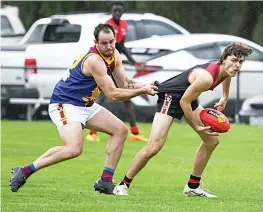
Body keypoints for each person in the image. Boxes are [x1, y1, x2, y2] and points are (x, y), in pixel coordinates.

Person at [10, 23, 158, 194]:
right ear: (96, 43)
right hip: (65, 104)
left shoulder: (115, 54)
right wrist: (142, 91)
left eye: (112, 41)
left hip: (85, 105)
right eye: (104, 43)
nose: (109, 46)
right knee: (73, 148)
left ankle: (105, 181)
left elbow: (125, 83)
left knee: (120, 130)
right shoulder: (94, 60)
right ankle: (25, 170)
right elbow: (113, 95)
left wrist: (147, 85)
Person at [113, 42, 253, 197]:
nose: (237, 65)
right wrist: (195, 125)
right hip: (171, 98)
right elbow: (183, 102)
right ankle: (122, 185)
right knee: (154, 146)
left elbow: (226, 77)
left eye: (241, 62)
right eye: (234, 60)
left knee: (212, 141)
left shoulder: (226, 70)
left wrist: (224, 97)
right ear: (224, 59)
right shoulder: (206, 78)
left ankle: (193, 186)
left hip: (188, 97)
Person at [86, 1, 148, 142]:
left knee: (124, 98)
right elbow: (115, 46)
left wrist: (133, 62)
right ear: (111, 11)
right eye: (115, 11)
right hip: (104, 64)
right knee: (101, 97)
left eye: (119, 11)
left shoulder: (124, 25)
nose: (117, 13)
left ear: (122, 12)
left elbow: (121, 46)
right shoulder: (108, 27)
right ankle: (92, 133)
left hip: (114, 65)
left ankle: (134, 132)